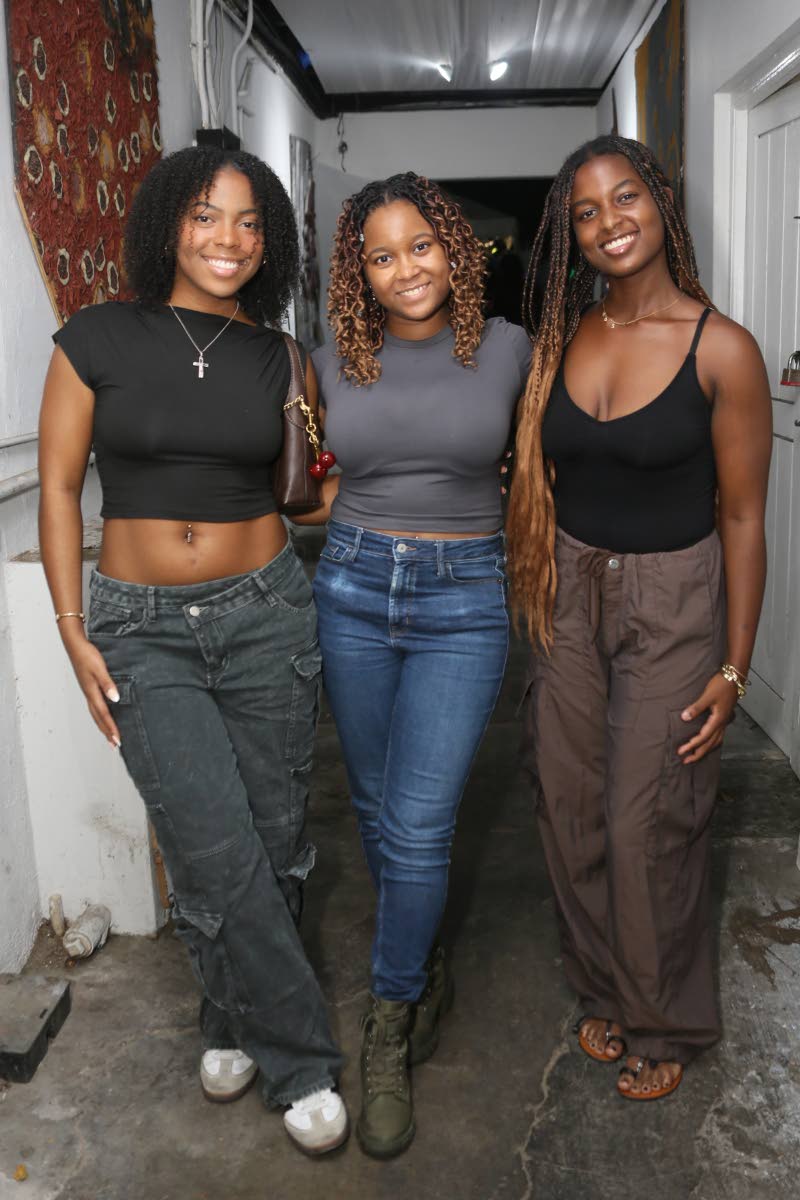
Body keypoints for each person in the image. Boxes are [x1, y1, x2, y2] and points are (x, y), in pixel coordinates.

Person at [37, 145, 348, 1155]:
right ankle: (301, 1059)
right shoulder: (96, 336)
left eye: (251, 223)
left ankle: (230, 1020)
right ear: (169, 222)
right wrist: (71, 627)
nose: (230, 239)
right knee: (213, 847)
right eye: (209, 217)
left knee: (273, 842)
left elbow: (315, 487)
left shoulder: (283, 359)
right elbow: (54, 488)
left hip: (265, 610)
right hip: (140, 625)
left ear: (271, 244)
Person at [508, 135, 772, 1100]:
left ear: (661, 205)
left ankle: (663, 1015)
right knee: (570, 803)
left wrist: (734, 668)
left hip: (673, 600)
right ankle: (608, 988)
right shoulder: (564, 338)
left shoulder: (724, 349)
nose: (610, 221)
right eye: (586, 210)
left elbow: (742, 519)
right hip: (566, 593)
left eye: (627, 198)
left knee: (646, 812)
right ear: (570, 234)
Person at [309, 171, 531, 1157]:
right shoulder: (327, 360)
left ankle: (387, 1024)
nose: (405, 270)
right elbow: (314, 486)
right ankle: (423, 959)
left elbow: (547, 472)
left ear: (456, 247)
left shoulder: (512, 352)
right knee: (376, 814)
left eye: (422, 245)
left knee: (418, 825)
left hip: (464, 600)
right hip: (352, 588)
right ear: (357, 272)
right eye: (380, 254)